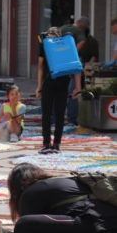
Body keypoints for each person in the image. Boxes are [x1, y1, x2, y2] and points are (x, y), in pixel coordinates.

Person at [36, 26, 81, 154]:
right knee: (49, 114)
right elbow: (40, 67)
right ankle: (47, 143)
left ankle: (55, 143)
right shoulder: (45, 46)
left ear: (59, 37)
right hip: (50, 83)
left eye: (54, 35)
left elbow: (75, 67)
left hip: (59, 84)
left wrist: (78, 87)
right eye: (50, 35)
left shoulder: (65, 47)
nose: (52, 37)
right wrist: (39, 86)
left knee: (58, 114)